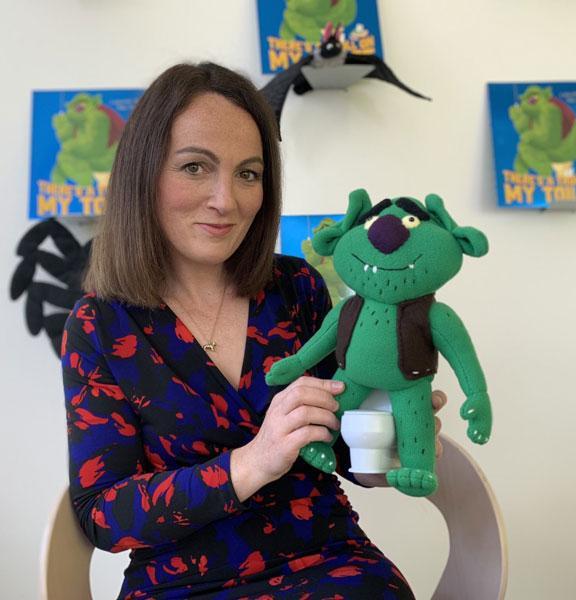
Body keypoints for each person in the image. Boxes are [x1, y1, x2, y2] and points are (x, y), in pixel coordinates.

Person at [62, 62, 447, 600]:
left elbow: (337, 446)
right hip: (183, 585)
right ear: (143, 174)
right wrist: (251, 462)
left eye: (248, 173)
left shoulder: (297, 287)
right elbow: (102, 515)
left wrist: (388, 444)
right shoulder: (100, 325)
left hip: (331, 563)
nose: (227, 200)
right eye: (195, 167)